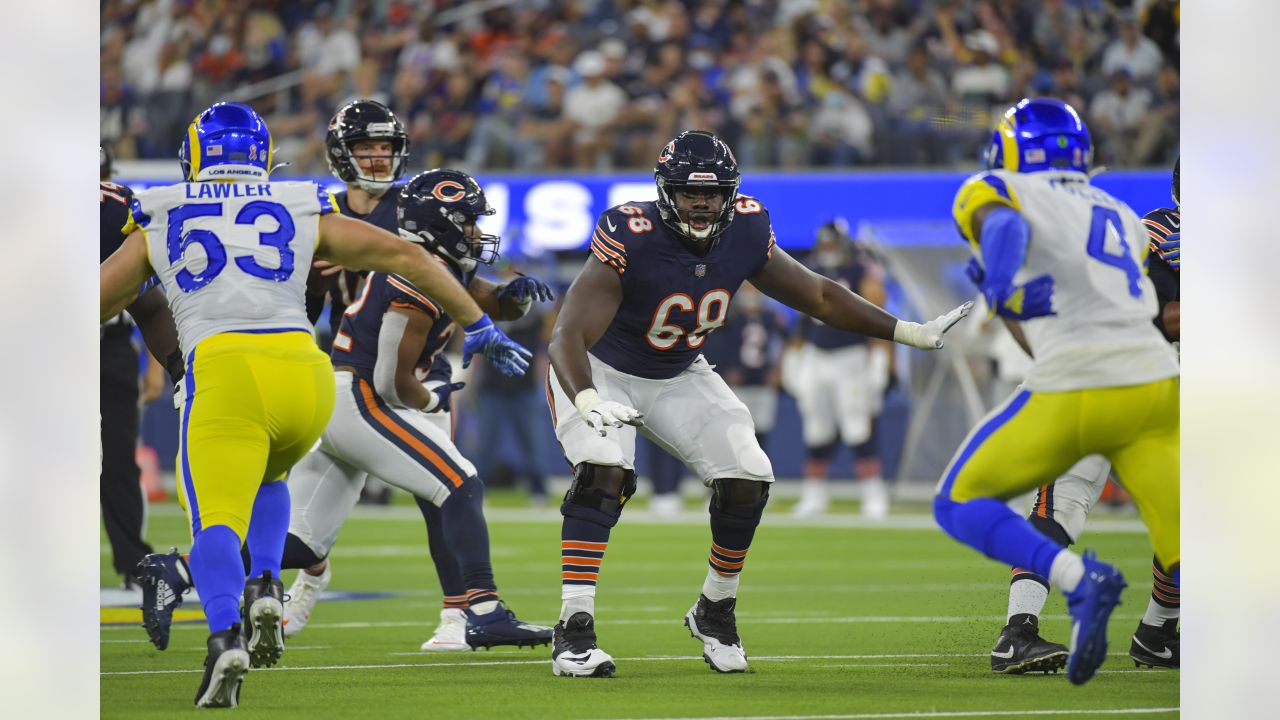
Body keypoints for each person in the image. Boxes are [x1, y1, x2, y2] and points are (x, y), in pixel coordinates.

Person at [99, 102, 530, 708]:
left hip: (224, 371)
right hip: (306, 376)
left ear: (195, 156)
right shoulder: (302, 202)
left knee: (217, 520)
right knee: (274, 477)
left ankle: (225, 634)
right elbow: (410, 258)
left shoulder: (163, 209)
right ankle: (269, 584)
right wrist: (478, 321)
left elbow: (93, 300)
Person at [544, 129, 971, 678]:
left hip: (678, 372)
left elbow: (817, 294)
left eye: (713, 192)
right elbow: (566, 336)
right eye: (689, 192)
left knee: (748, 474)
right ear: (663, 191)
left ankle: (714, 610)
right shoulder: (632, 232)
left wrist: (905, 331)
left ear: (731, 192)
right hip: (599, 369)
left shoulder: (746, 227)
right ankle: (574, 626)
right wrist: (584, 396)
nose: (702, 203)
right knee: (604, 471)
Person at [932, 98, 1180, 687]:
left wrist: (997, 285)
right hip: (1159, 386)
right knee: (1191, 531)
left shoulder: (997, 188)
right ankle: (1176, 629)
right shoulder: (1118, 211)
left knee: (960, 501)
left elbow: (1008, 225)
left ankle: (1069, 587)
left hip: (1083, 381)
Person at [279, 169, 556, 651]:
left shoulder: (438, 264)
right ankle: (484, 612)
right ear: (440, 225)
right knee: (459, 482)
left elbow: (482, 297)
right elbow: (392, 381)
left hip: (346, 396)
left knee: (302, 544)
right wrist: (432, 399)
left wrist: (514, 301)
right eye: (468, 222)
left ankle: (181, 569)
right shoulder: (416, 279)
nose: (476, 231)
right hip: (360, 398)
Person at [987, 157, 1183, 675]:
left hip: (1154, 386)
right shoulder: (1156, 232)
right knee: (1064, 500)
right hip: (1116, 374)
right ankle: (1018, 631)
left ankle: (1158, 631)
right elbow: (1161, 315)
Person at [99, 144, 182, 589]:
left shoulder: (116, 213)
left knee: (117, 460)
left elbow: (150, 305)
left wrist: (173, 370)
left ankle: (133, 564)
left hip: (108, 345)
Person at [788, 218, 894, 518]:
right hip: (816, 355)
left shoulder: (862, 271)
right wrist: (794, 357)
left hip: (852, 356)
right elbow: (802, 321)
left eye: (833, 244)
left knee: (858, 426)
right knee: (817, 428)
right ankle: (814, 495)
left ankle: (874, 494)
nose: (828, 250)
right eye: (825, 244)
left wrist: (880, 358)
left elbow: (878, 314)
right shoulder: (810, 270)